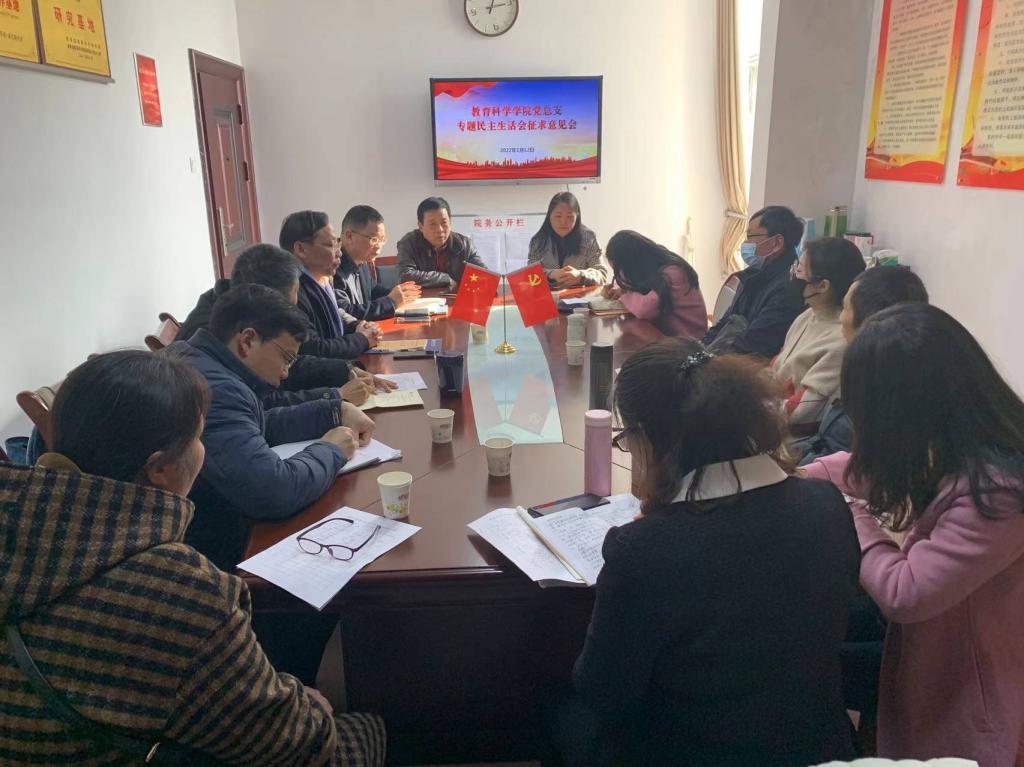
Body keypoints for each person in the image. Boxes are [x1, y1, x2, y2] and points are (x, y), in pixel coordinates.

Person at [0, 350, 385, 765]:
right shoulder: (182, 591)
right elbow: (299, 747)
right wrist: (309, 707)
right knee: (372, 726)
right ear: (160, 469)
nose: (204, 450)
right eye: (200, 437)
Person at [550, 337, 859, 766]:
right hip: (814, 745)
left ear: (650, 437)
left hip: (693, 751)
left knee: (557, 714)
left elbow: (605, 693)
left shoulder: (643, 550)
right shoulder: (825, 504)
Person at [804, 303, 1024, 766]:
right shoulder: (958, 440)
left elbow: (906, 594)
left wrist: (850, 513)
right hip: (940, 652)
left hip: (977, 682)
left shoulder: (999, 489)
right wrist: (800, 476)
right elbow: (869, 469)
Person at [166, 284, 375, 572]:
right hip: (212, 552)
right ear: (247, 341)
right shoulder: (216, 389)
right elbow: (274, 491)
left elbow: (255, 423)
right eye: (286, 358)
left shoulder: (198, 356)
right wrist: (331, 450)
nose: (287, 372)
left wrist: (333, 411)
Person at [177, 242, 389, 407]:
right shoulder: (217, 334)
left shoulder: (232, 303)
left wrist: (345, 370)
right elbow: (263, 402)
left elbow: (289, 363)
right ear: (263, 296)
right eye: (288, 304)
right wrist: (335, 396)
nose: (292, 312)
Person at [795, 265, 928, 465]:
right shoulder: (879, 370)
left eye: (845, 308)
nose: (840, 317)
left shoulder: (882, 397)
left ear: (870, 321)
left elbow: (838, 459)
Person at [771, 237, 865, 429]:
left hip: (791, 435)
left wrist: (751, 409)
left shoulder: (840, 342)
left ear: (822, 285)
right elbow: (777, 367)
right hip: (770, 413)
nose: (793, 274)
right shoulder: (808, 315)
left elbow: (802, 411)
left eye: (799, 270)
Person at [703, 205, 806, 357]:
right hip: (725, 357)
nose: (745, 244)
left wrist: (706, 361)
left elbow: (753, 345)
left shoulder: (788, 288)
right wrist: (698, 350)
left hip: (745, 365)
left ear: (776, 243)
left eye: (750, 236)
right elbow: (725, 323)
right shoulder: (752, 276)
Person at [280, 209, 383, 358]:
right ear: (301, 249)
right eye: (330, 245)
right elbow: (315, 350)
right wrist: (361, 339)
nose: (339, 253)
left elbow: (336, 313)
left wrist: (357, 325)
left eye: (337, 243)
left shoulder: (323, 278)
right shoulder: (293, 292)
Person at [601, 230, 708, 338]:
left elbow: (644, 310)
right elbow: (642, 291)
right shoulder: (654, 265)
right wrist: (619, 290)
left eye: (619, 272)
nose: (620, 277)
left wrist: (622, 294)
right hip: (673, 337)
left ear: (631, 265)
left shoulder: (672, 273)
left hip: (691, 341)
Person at [335, 204, 421, 319]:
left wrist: (400, 294)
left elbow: (372, 291)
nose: (379, 246)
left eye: (382, 240)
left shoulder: (363, 260)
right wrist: (391, 302)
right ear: (349, 236)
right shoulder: (331, 267)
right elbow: (346, 314)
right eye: (374, 239)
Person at [396, 196, 485, 288]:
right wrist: (446, 279)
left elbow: (485, 276)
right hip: (424, 297)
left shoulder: (465, 245)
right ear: (421, 226)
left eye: (444, 222)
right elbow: (405, 276)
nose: (440, 230)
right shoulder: (408, 243)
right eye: (433, 224)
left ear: (450, 222)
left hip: (456, 296)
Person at [527, 192, 608, 287]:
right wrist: (550, 274)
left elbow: (602, 274)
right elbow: (530, 274)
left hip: (582, 295)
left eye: (569, 217)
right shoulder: (538, 241)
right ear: (550, 216)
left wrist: (581, 276)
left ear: (577, 217)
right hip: (549, 295)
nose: (563, 222)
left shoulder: (589, 238)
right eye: (558, 216)